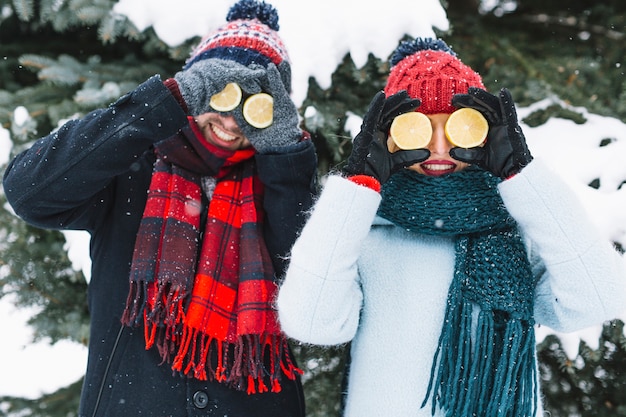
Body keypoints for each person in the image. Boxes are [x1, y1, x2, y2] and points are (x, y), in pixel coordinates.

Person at [276, 37, 626, 417]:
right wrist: (355, 186)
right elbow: (311, 322)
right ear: (389, 136)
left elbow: (596, 298)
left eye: (459, 128)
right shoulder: (364, 225)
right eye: (418, 130)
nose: (439, 147)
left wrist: (524, 175)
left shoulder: (517, 219)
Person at [3, 1, 317, 416]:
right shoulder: (132, 169)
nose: (231, 120)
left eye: (254, 104)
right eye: (221, 93)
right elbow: (28, 192)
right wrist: (164, 102)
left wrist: (286, 155)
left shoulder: (281, 182)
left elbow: (310, 286)